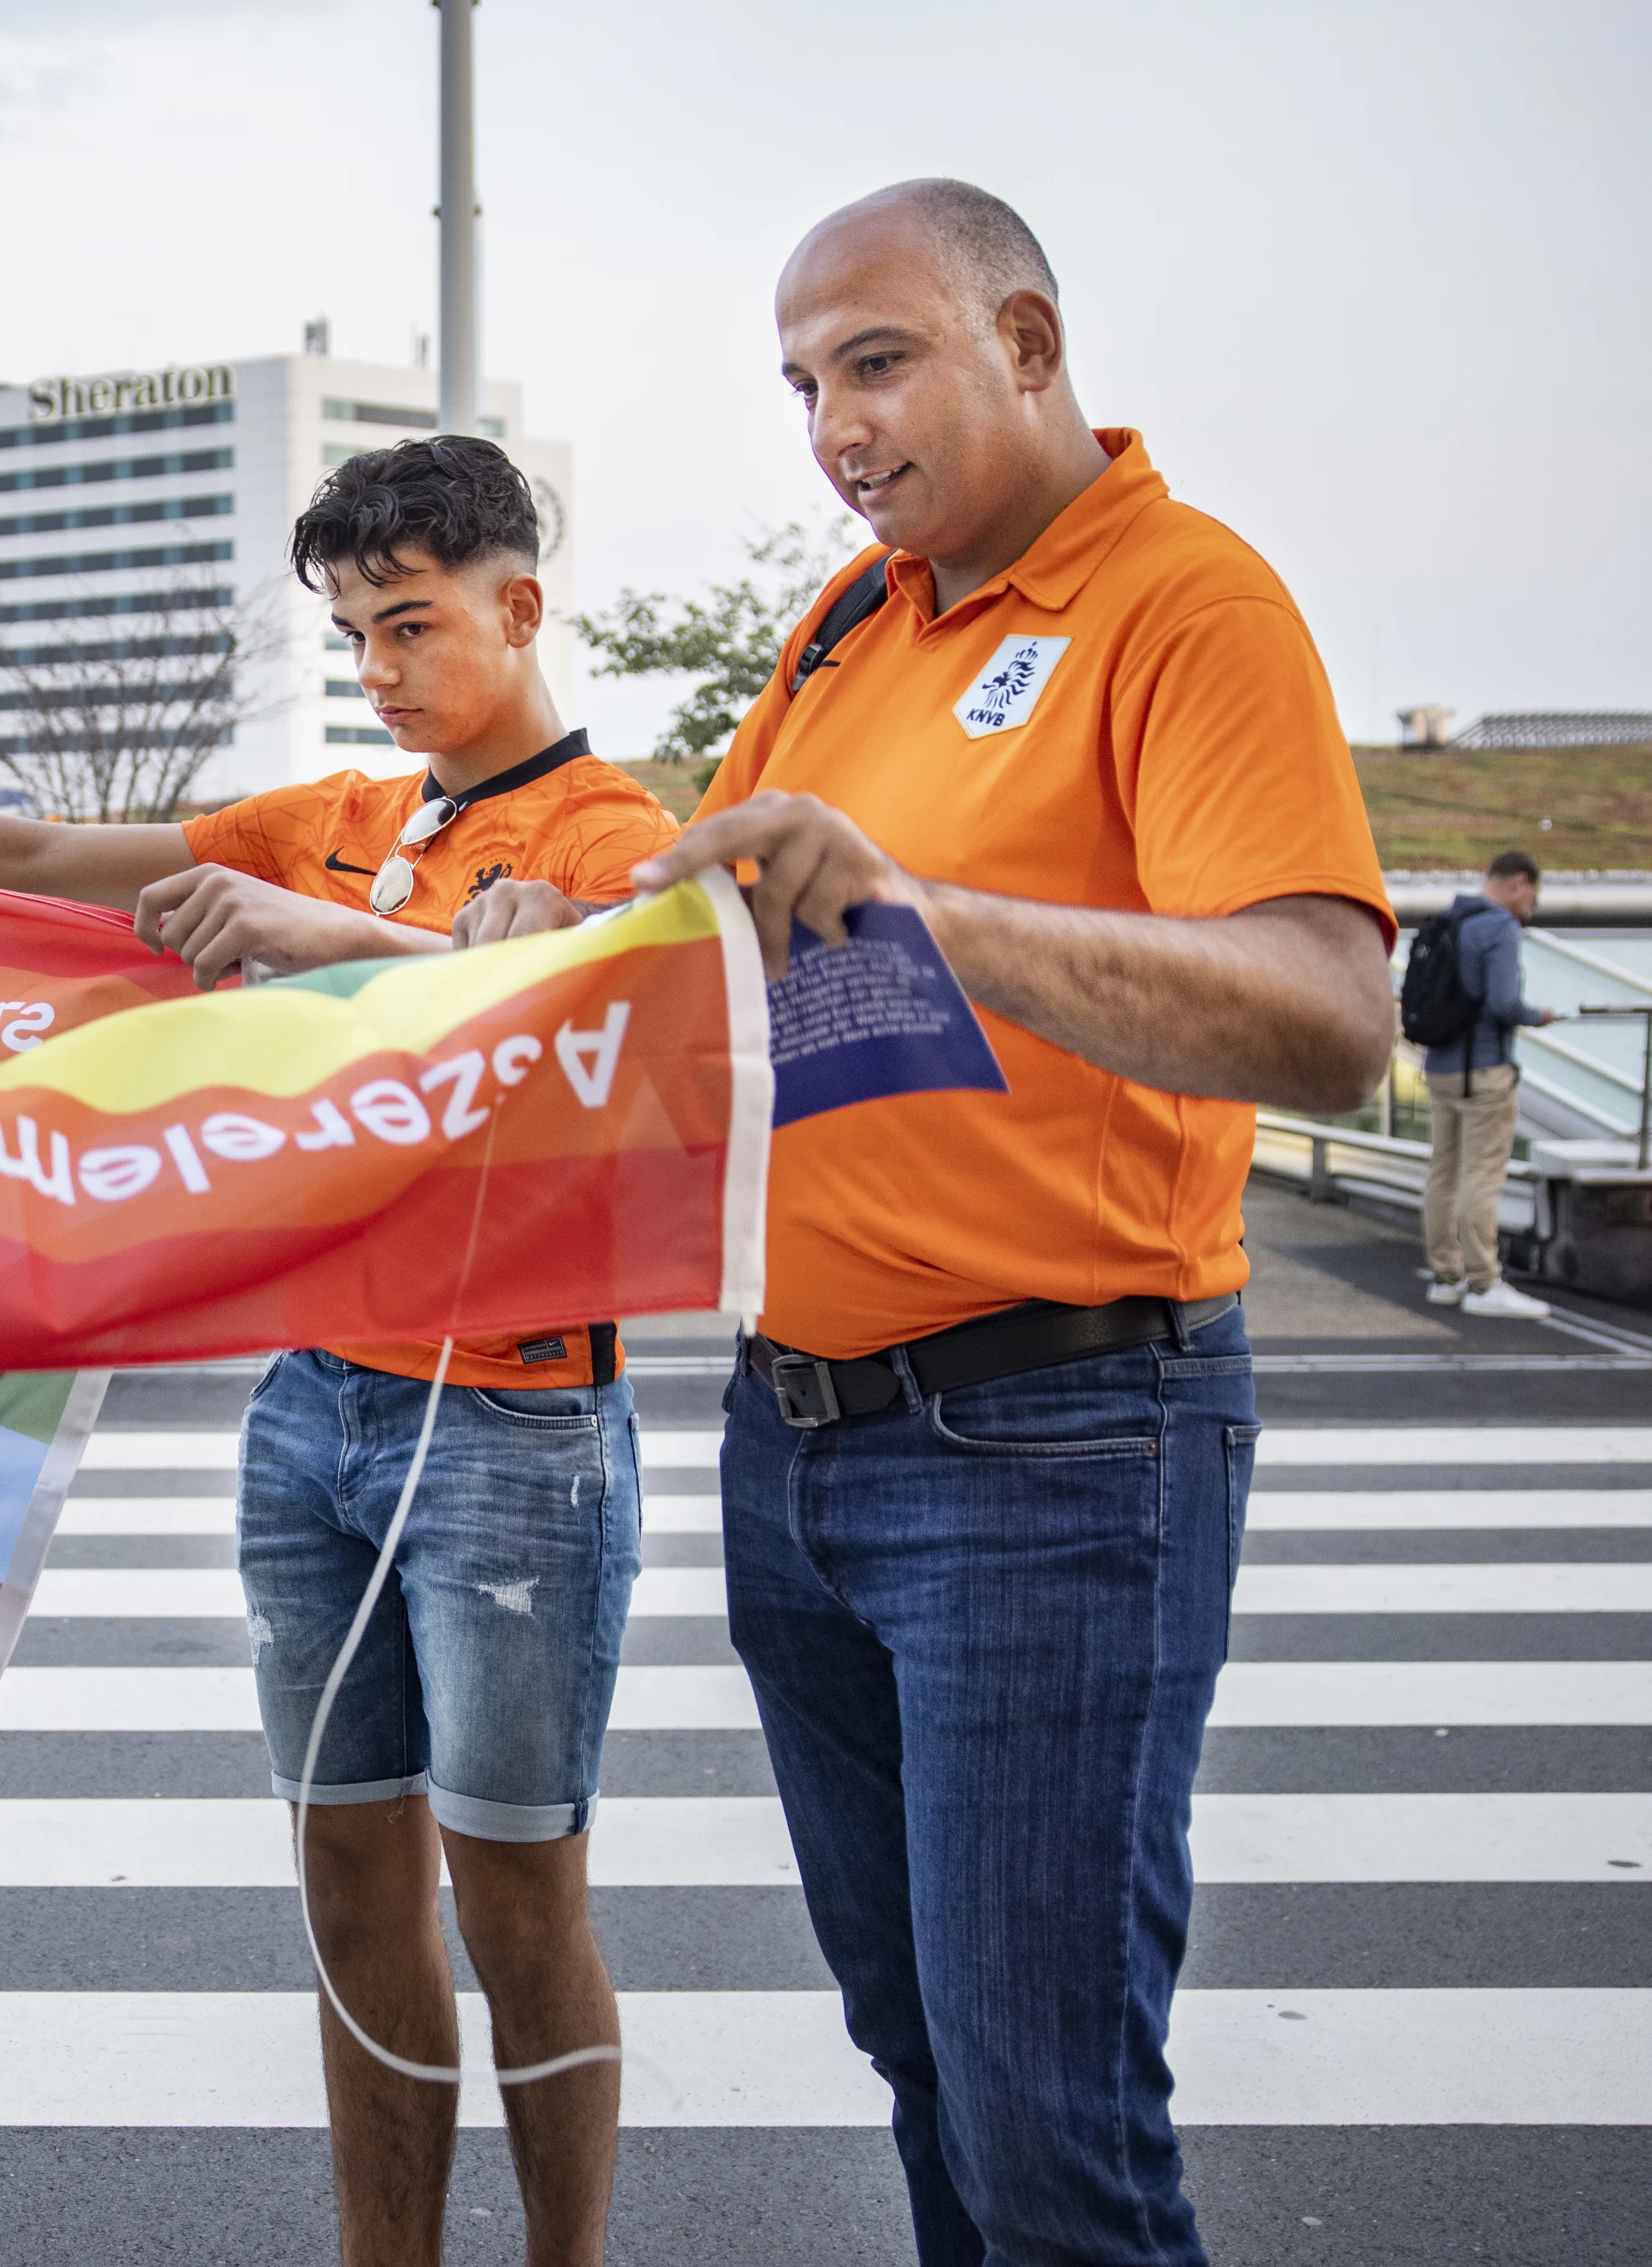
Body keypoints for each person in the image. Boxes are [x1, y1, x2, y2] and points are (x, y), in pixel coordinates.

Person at [0, 435, 674, 2266]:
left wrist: (394, 936)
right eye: (352, 633)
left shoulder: (606, 833)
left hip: (510, 1426)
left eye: (411, 622)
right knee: (352, 1881)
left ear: (519, 605)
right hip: (315, 1406)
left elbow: (604, 984)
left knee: (518, 1905)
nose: (381, 667)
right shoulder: (345, 809)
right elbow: (32, 854)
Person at [551, 181, 1394, 2266]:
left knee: (1048, 2133)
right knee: (924, 2057)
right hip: (799, 1432)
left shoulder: (1182, 602)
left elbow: (1329, 1023)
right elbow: (710, 934)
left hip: (1050, 1440)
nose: (828, 425)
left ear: (1022, 340)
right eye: (797, 384)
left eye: (872, 359)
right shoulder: (843, 618)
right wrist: (513, 933)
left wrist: (929, 918)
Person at [1418, 849, 1563, 1317]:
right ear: (1520, 882)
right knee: (1482, 1178)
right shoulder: (1498, 927)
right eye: (1532, 899)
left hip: (1440, 1069)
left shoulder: (1447, 919)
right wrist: (1537, 1016)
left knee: (1443, 1173)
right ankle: (1484, 1284)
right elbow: (1503, 1004)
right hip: (1484, 1072)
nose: (1529, 909)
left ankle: (1446, 1276)